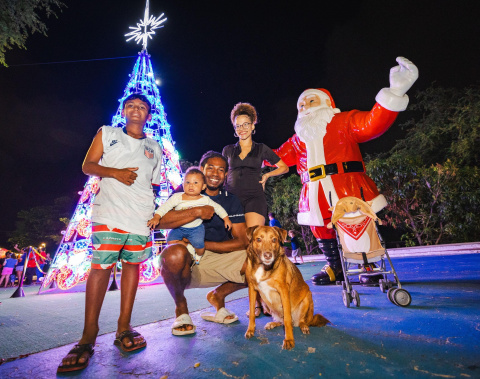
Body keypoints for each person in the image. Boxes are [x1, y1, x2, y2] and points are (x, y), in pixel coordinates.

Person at [270, 57, 419, 285]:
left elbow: (371, 124)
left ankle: (367, 265)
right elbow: (274, 158)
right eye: (301, 105)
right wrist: (247, 153)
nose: (305, 107)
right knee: (321, 229)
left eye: (311, 101)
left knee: (357, 223)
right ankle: (335, 266)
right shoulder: (297, 139)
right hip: (313, 191)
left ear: (326, 103)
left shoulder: (343, 121)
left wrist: (395, 91)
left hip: (348, 185)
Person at [58, 93, 162, 373]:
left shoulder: (155, 146)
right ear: (124, 110)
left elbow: (154, 182)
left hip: (140, 216)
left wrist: (154, 213)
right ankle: (88, 336)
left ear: (149, 115)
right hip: (109, 213)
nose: (136, 110)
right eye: (131, 106)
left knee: (132, 266)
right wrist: (115, 173)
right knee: (101, 268)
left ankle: (123, 328)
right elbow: (88, 165)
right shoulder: (107, 133)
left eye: (142, 107)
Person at [159, 151, 249, 335]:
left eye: (221, 170)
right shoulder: (183, 193)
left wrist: (201, 245)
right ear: (201, 169)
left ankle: (218, 295)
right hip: (187, 261)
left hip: (218, 257)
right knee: (174, 254)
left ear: (225, 175)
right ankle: (181, 308)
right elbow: (158, 221)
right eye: (210, 168)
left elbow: (242, 240)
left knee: (261, 262)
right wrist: (196, 212)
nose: (215, 174)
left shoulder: (230, 200)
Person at [222, 103, 288, 228]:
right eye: (238, 126)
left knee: (254, 236)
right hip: (232, 198)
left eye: (246, 124)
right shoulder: (228, 150)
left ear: (252, 126)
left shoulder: (261, 148)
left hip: (255, 197)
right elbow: (222, 173)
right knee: (237, 240)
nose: (242, 128)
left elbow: (284, 167)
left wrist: (267, 175)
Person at [148, 167, 232, 258]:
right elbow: (164, 207)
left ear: (203, 186)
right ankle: (189, 247)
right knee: (170, 241)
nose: (191, 185)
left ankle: (198, 256)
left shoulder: (205, 200)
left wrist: (226, 219)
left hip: (196, 229)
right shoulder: (177, 197)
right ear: (183, 184)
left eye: (195, 183)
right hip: (179, 228)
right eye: (188, 182)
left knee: (200, 247)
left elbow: (218, 208)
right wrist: (156, 217)